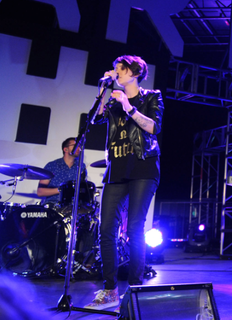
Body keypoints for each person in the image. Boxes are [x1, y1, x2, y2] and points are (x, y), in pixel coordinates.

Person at [85, 55, 163, 310]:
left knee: (135, 229)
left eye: (121, 68)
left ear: (135, 72)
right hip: (115, 169)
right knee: (106, 229)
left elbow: (153, 127)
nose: (116, 72)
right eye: (116, 68)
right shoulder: (113, 99)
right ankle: (110, 290)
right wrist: (104, 92)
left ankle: (135, 289)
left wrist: (129, 106)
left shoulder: (151, 96)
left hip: (143, 166)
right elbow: (95, 121)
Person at [37, 137, 88, 207]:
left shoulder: (81, 167)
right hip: (53, 205)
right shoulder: (52, 165)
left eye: (80, 146)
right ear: (65, 149)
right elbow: (40, 192)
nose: (79, 148)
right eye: (76, 145)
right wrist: (63, 189)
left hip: (73, 207)